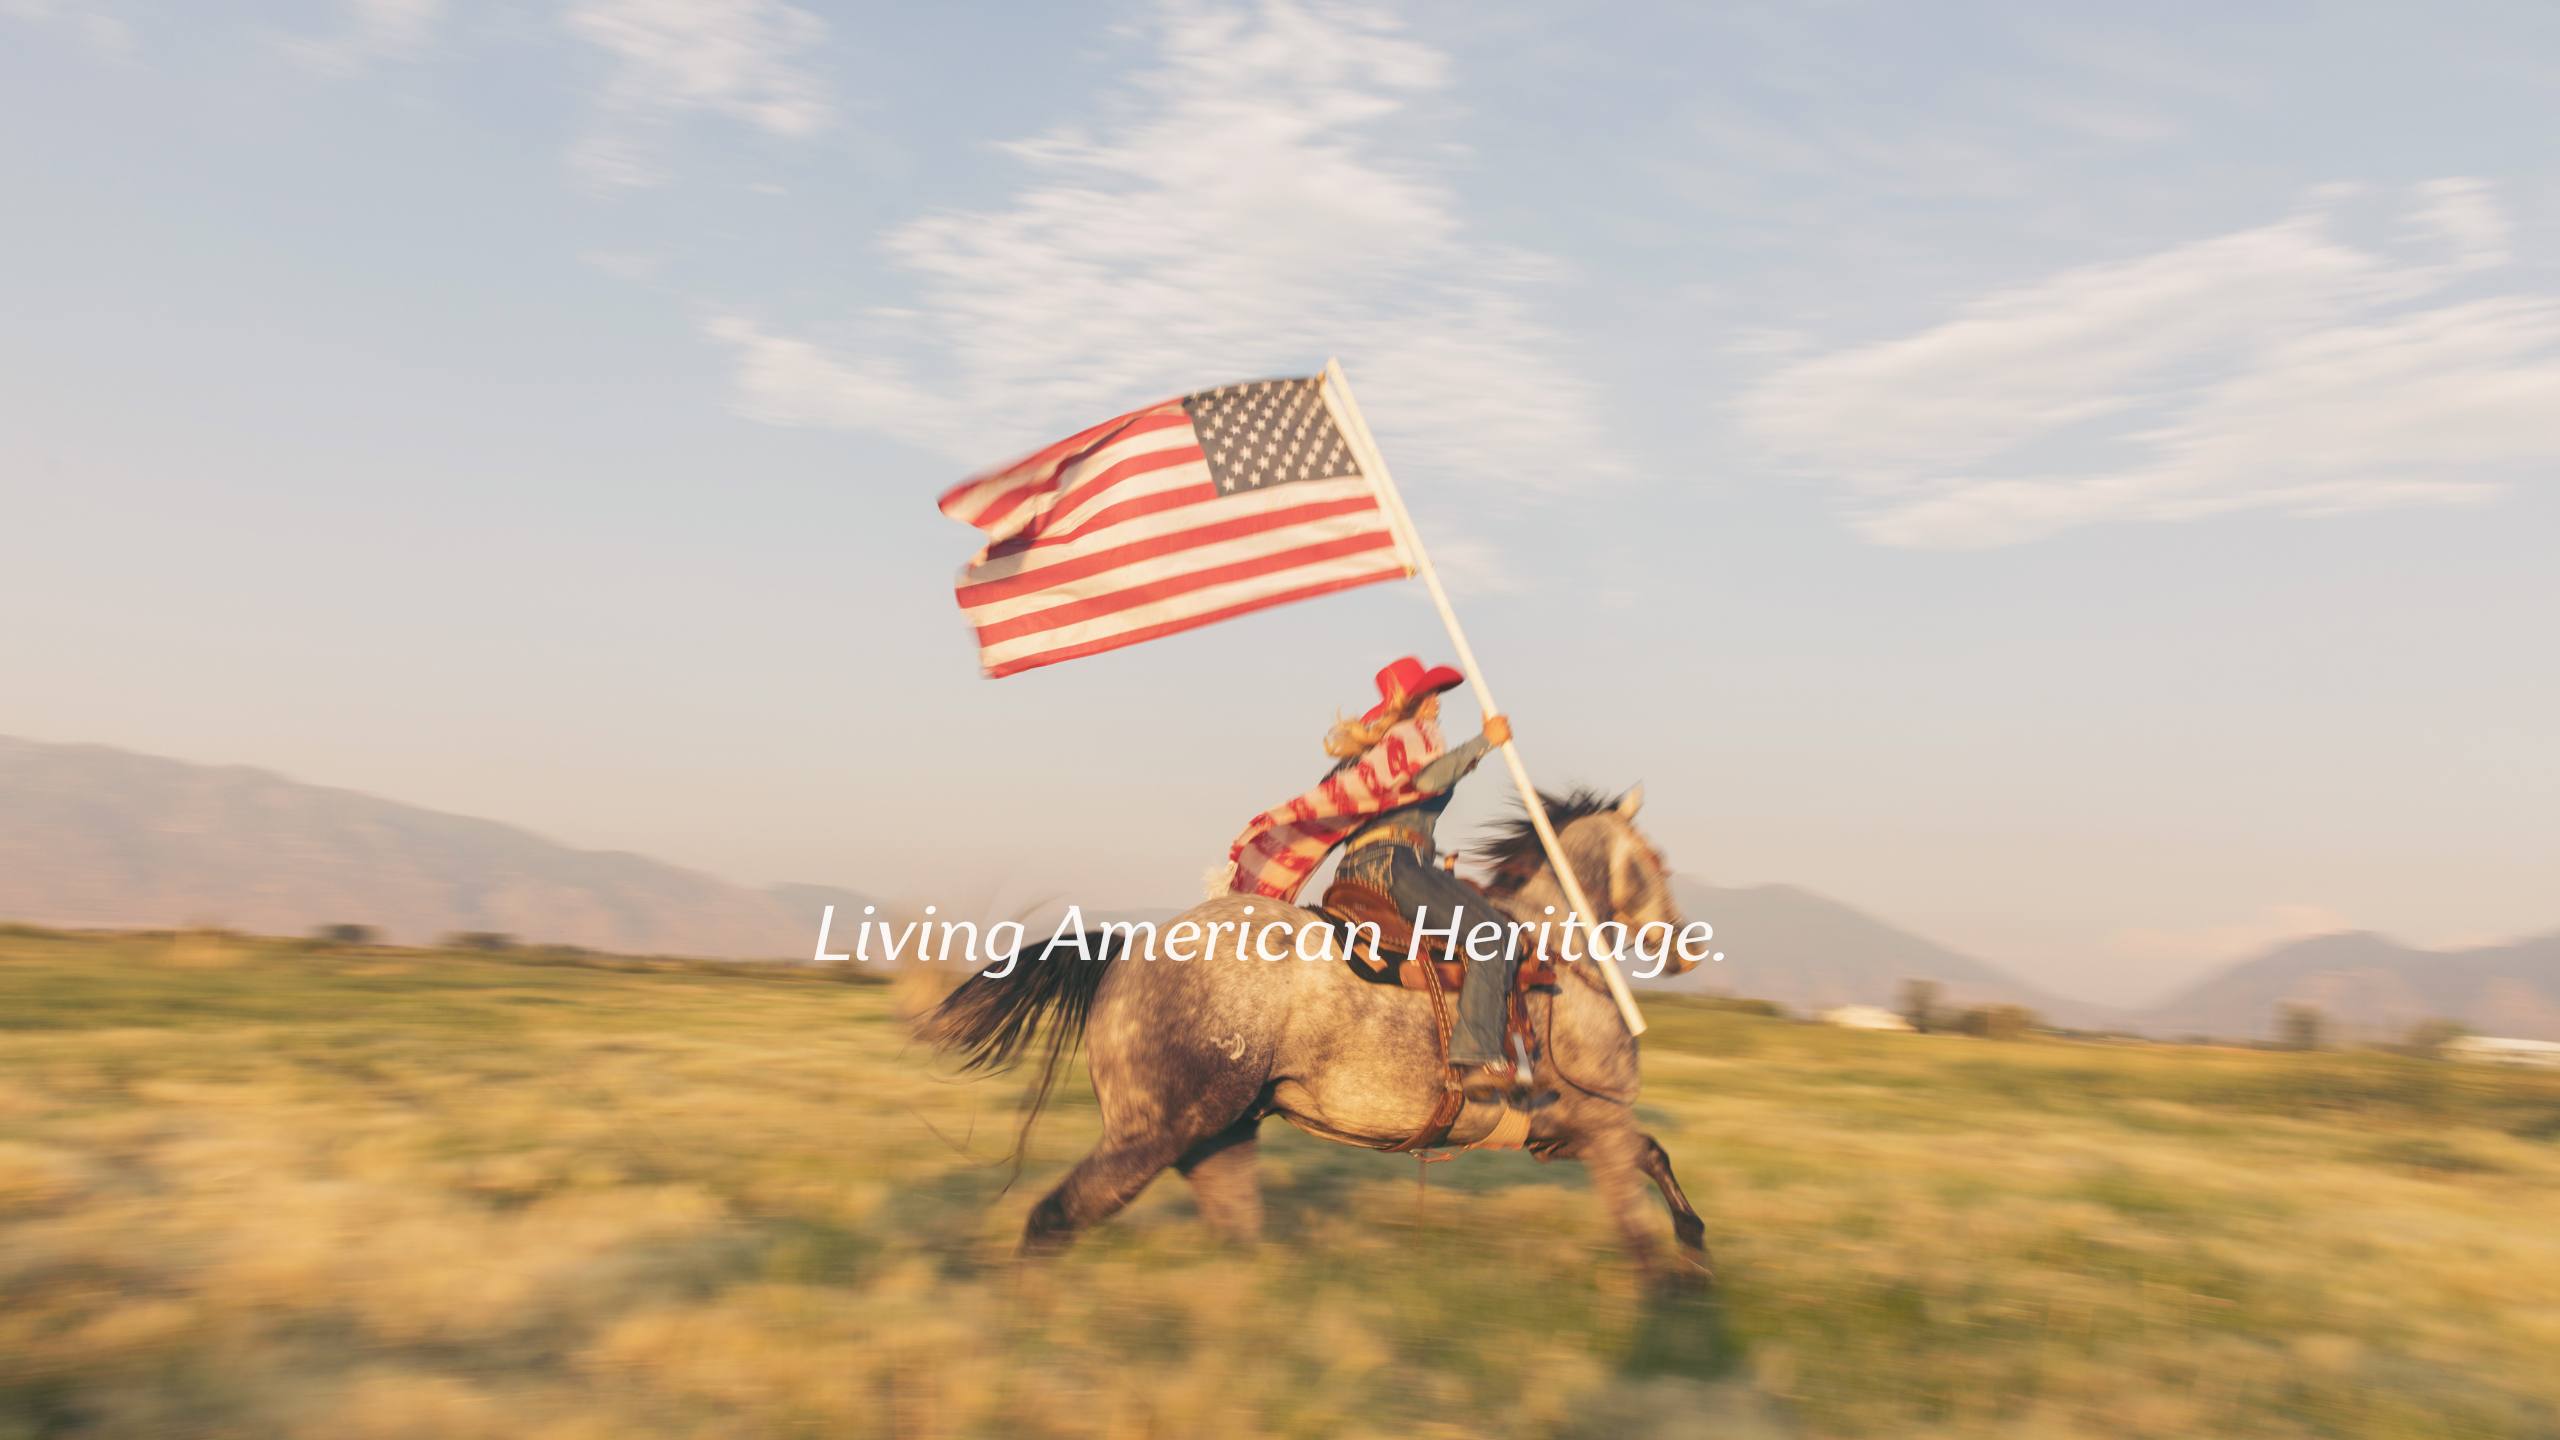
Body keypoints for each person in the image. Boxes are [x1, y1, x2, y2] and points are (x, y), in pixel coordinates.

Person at [1317, 659, 1524, 1102]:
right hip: (1397, 863)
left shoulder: (1368, 759)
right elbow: (1428, 781)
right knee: (1496, 936)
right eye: (1429, 695)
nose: (1436, 703)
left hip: (1353, 870)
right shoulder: (1407, 744)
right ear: (1408, 703)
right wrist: (1484, 742)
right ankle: (1476, 1056)